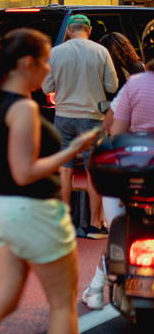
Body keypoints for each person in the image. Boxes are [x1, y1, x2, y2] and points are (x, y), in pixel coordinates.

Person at [0, 28, 99, 334]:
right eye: (45, 62)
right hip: (32, 210)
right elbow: (25, 172)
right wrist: (73, 149)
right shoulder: (23, 108)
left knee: (1, 301)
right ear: (26, 63)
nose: (49, 69)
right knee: (61, 303)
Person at [80, 58, 154, 309]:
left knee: (117, 232)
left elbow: (116, 131)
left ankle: (97, 288)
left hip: (129, 174)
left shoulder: (134, 84)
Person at [42, 14, 118, 239]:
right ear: (89, 30)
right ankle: (95, 224)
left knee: (64, 170)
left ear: (68, 31)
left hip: (63, 116)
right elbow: (111, 85)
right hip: (91, 118)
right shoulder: (100, 51)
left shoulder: (55, 53)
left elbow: (47, 88)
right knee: (92, 170)